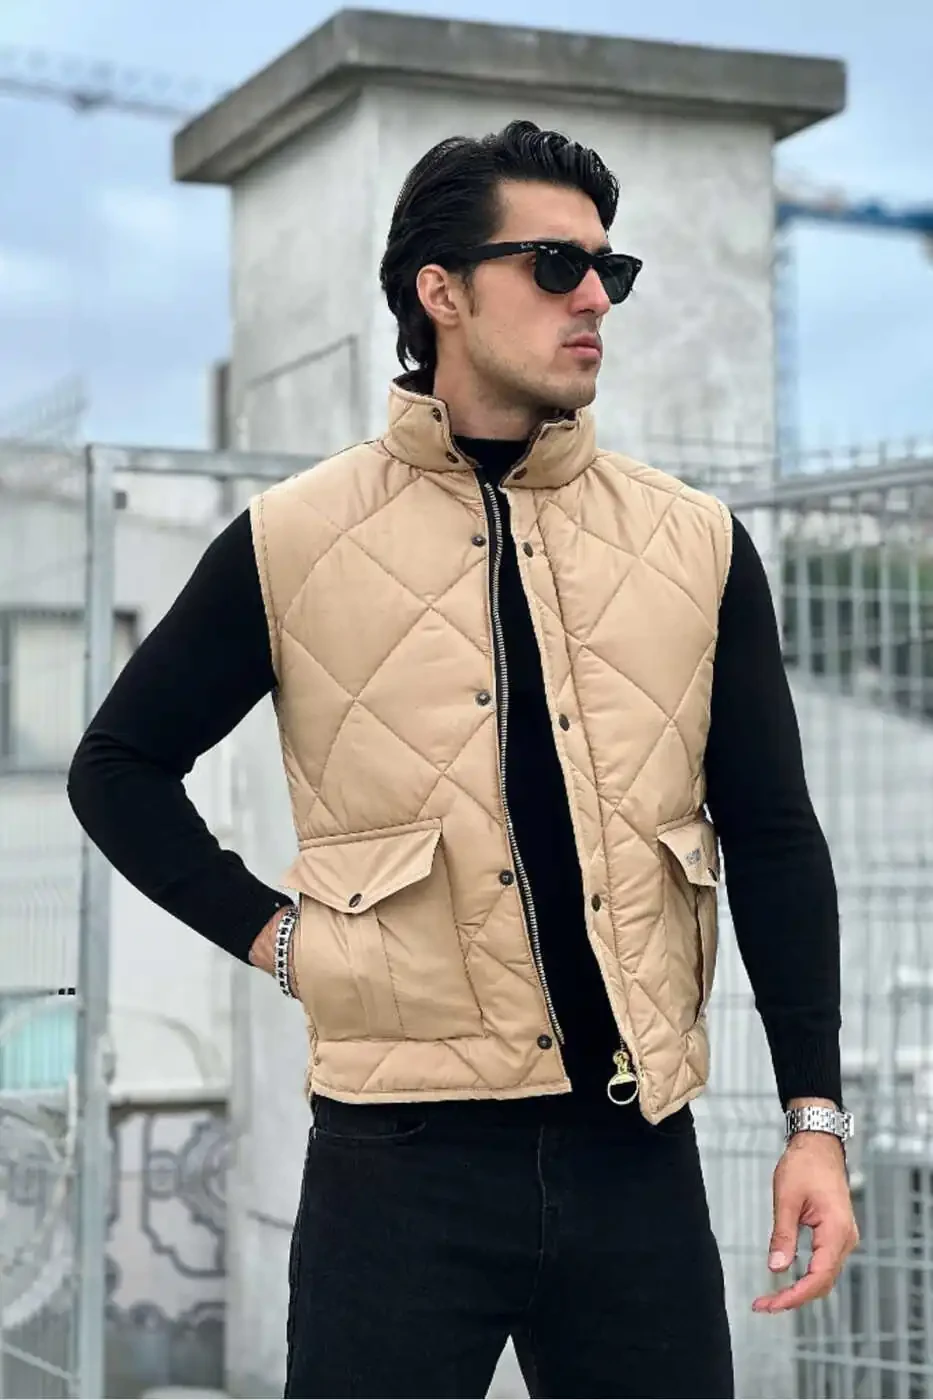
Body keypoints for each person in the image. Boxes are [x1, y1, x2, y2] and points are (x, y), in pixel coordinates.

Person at [68, 120, 858, 1399]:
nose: (595, 296)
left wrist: (814, 1118)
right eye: (555, 265)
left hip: (634, 1161)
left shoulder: (697, 543)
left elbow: (772, 833)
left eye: (610, 269)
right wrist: (285, 940)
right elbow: (116, 767)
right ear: (440, 290)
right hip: (398, 1170)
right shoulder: (295, 539)